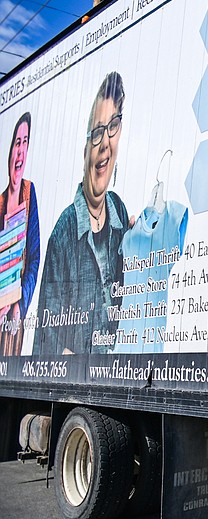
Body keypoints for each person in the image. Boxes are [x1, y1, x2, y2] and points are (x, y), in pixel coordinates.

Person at [36, 72, 132, 355]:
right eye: (97, 131)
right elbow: (48, 338)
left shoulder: (119, 213)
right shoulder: (65, 232)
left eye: (113, 126)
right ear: (85, 150)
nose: (104, 143)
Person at [1, 111, 40, 355]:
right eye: (17, 142)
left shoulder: (29, 192)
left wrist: (19, 305)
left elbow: (34, 258)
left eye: (26, 143)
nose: (20, 151)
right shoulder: (0, 202)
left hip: (14, 323)